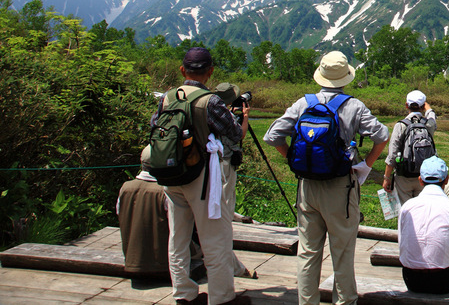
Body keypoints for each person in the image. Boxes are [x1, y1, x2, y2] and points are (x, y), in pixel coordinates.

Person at [263, 50, 389, 305]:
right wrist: (366, 165)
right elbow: (382, 135)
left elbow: (272, 136)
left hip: (307, 187)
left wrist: (292, 160)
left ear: (320, 76)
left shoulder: (304, 103)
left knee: (308, 252)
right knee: (342, 253)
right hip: (340, 187)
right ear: (345, 78)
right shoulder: (354, 105)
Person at [150, 47, 250, 305]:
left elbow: (155, 127)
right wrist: (240, 118)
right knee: (214, 238)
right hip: (202, 176)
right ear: (210, 72)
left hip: (171, 174)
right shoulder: (210, 101)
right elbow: (234, 134)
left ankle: (183, 293)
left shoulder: (167, 97)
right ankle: (222, 297)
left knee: (178, 237)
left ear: (182, 70)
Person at [117, 146, 253, 282]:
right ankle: (238, 271)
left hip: (132, 259)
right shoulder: (167, 191)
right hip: (163, 262)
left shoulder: (125, 188)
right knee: (211, 239)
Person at [398, 156, 449, 294]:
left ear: (420, 180)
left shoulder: (407, 206)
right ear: (447, 179)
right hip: (443, 280)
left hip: (411, 279)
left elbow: (402, 242)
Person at [382, 90, 437, 205]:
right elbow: (432, 116)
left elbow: (392, 154)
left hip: (403, 176)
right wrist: (428, 108)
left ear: (406, 105)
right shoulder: (429, 125)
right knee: (422, 210)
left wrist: (387, 177)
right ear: (423, 106)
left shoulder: (401, 125)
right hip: (423, 176)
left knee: (405, 210)